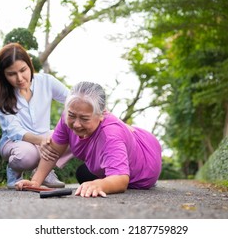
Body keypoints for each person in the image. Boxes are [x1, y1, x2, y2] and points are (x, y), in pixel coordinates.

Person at [15, 81, 162, 197]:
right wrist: (35, 182)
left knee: (93, 182)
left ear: (102, 114)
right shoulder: (68, 117)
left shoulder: (110, 135)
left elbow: (121, 180)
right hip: (123, 143)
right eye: (72, 115)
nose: (76, 124)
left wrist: (100, 185)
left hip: (146, 161)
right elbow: (53, 150)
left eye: (84, 118)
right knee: (84, 175)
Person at [0, 42, 72, 189]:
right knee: (26, 155)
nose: (20, 78)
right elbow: (14, 130)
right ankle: (14, 171)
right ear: (3, 75)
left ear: (30, 64)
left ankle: (43, 171)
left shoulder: (46, 81)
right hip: (15, 142)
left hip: (44, 137)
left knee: (74, 136)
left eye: (23, 70)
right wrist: (43, 141)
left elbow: (72, 100)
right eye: (11, 74)